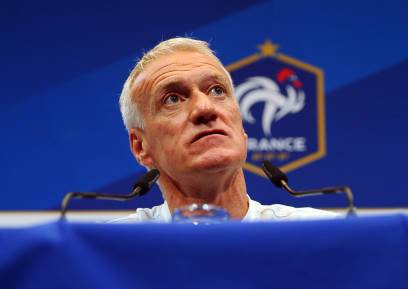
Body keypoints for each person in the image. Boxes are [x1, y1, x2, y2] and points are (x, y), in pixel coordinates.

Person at [116, 37, 337, 223]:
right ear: (140, 146)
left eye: (216, 90)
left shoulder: (323, 236)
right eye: (173, 99)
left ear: (241, 127)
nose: (205, 107)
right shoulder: (108, 251)